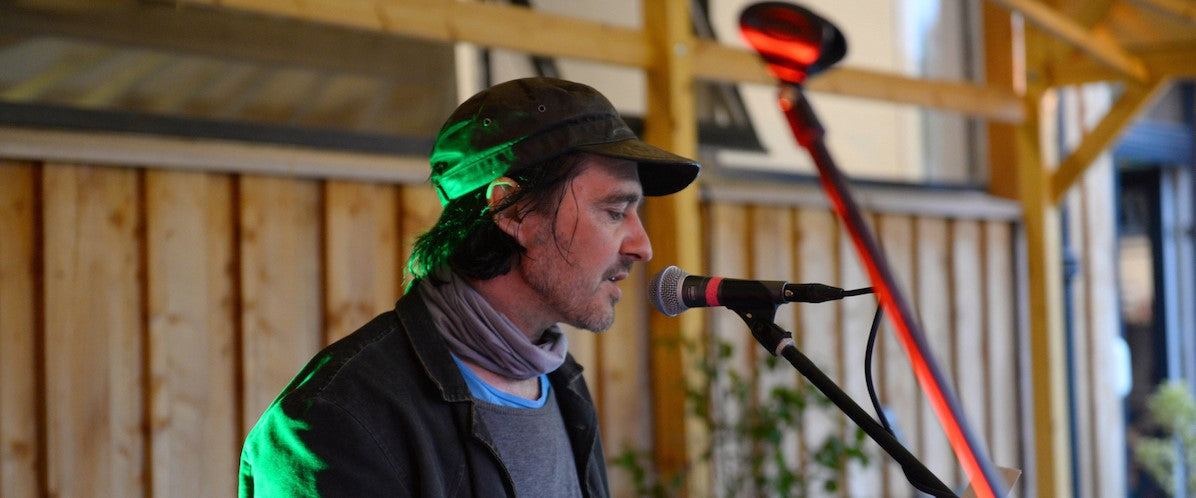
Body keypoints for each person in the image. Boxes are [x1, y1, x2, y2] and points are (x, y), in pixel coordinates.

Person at [238, 77, 700, 497]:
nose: (643, 247)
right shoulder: (333, 419)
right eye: (616, 211)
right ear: (513, 211)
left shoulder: (563, 384)